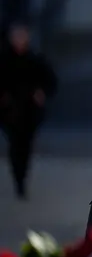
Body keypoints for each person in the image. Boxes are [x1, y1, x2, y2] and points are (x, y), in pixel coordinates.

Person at [0, 23, 57, 200]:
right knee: (15, 145)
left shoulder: (34, 59)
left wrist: (41, 93)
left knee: (25, 146)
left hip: (29, 112)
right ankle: (18, 180)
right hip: (9, 111)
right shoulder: (5, 59)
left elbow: (50, 81)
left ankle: (22, 178)